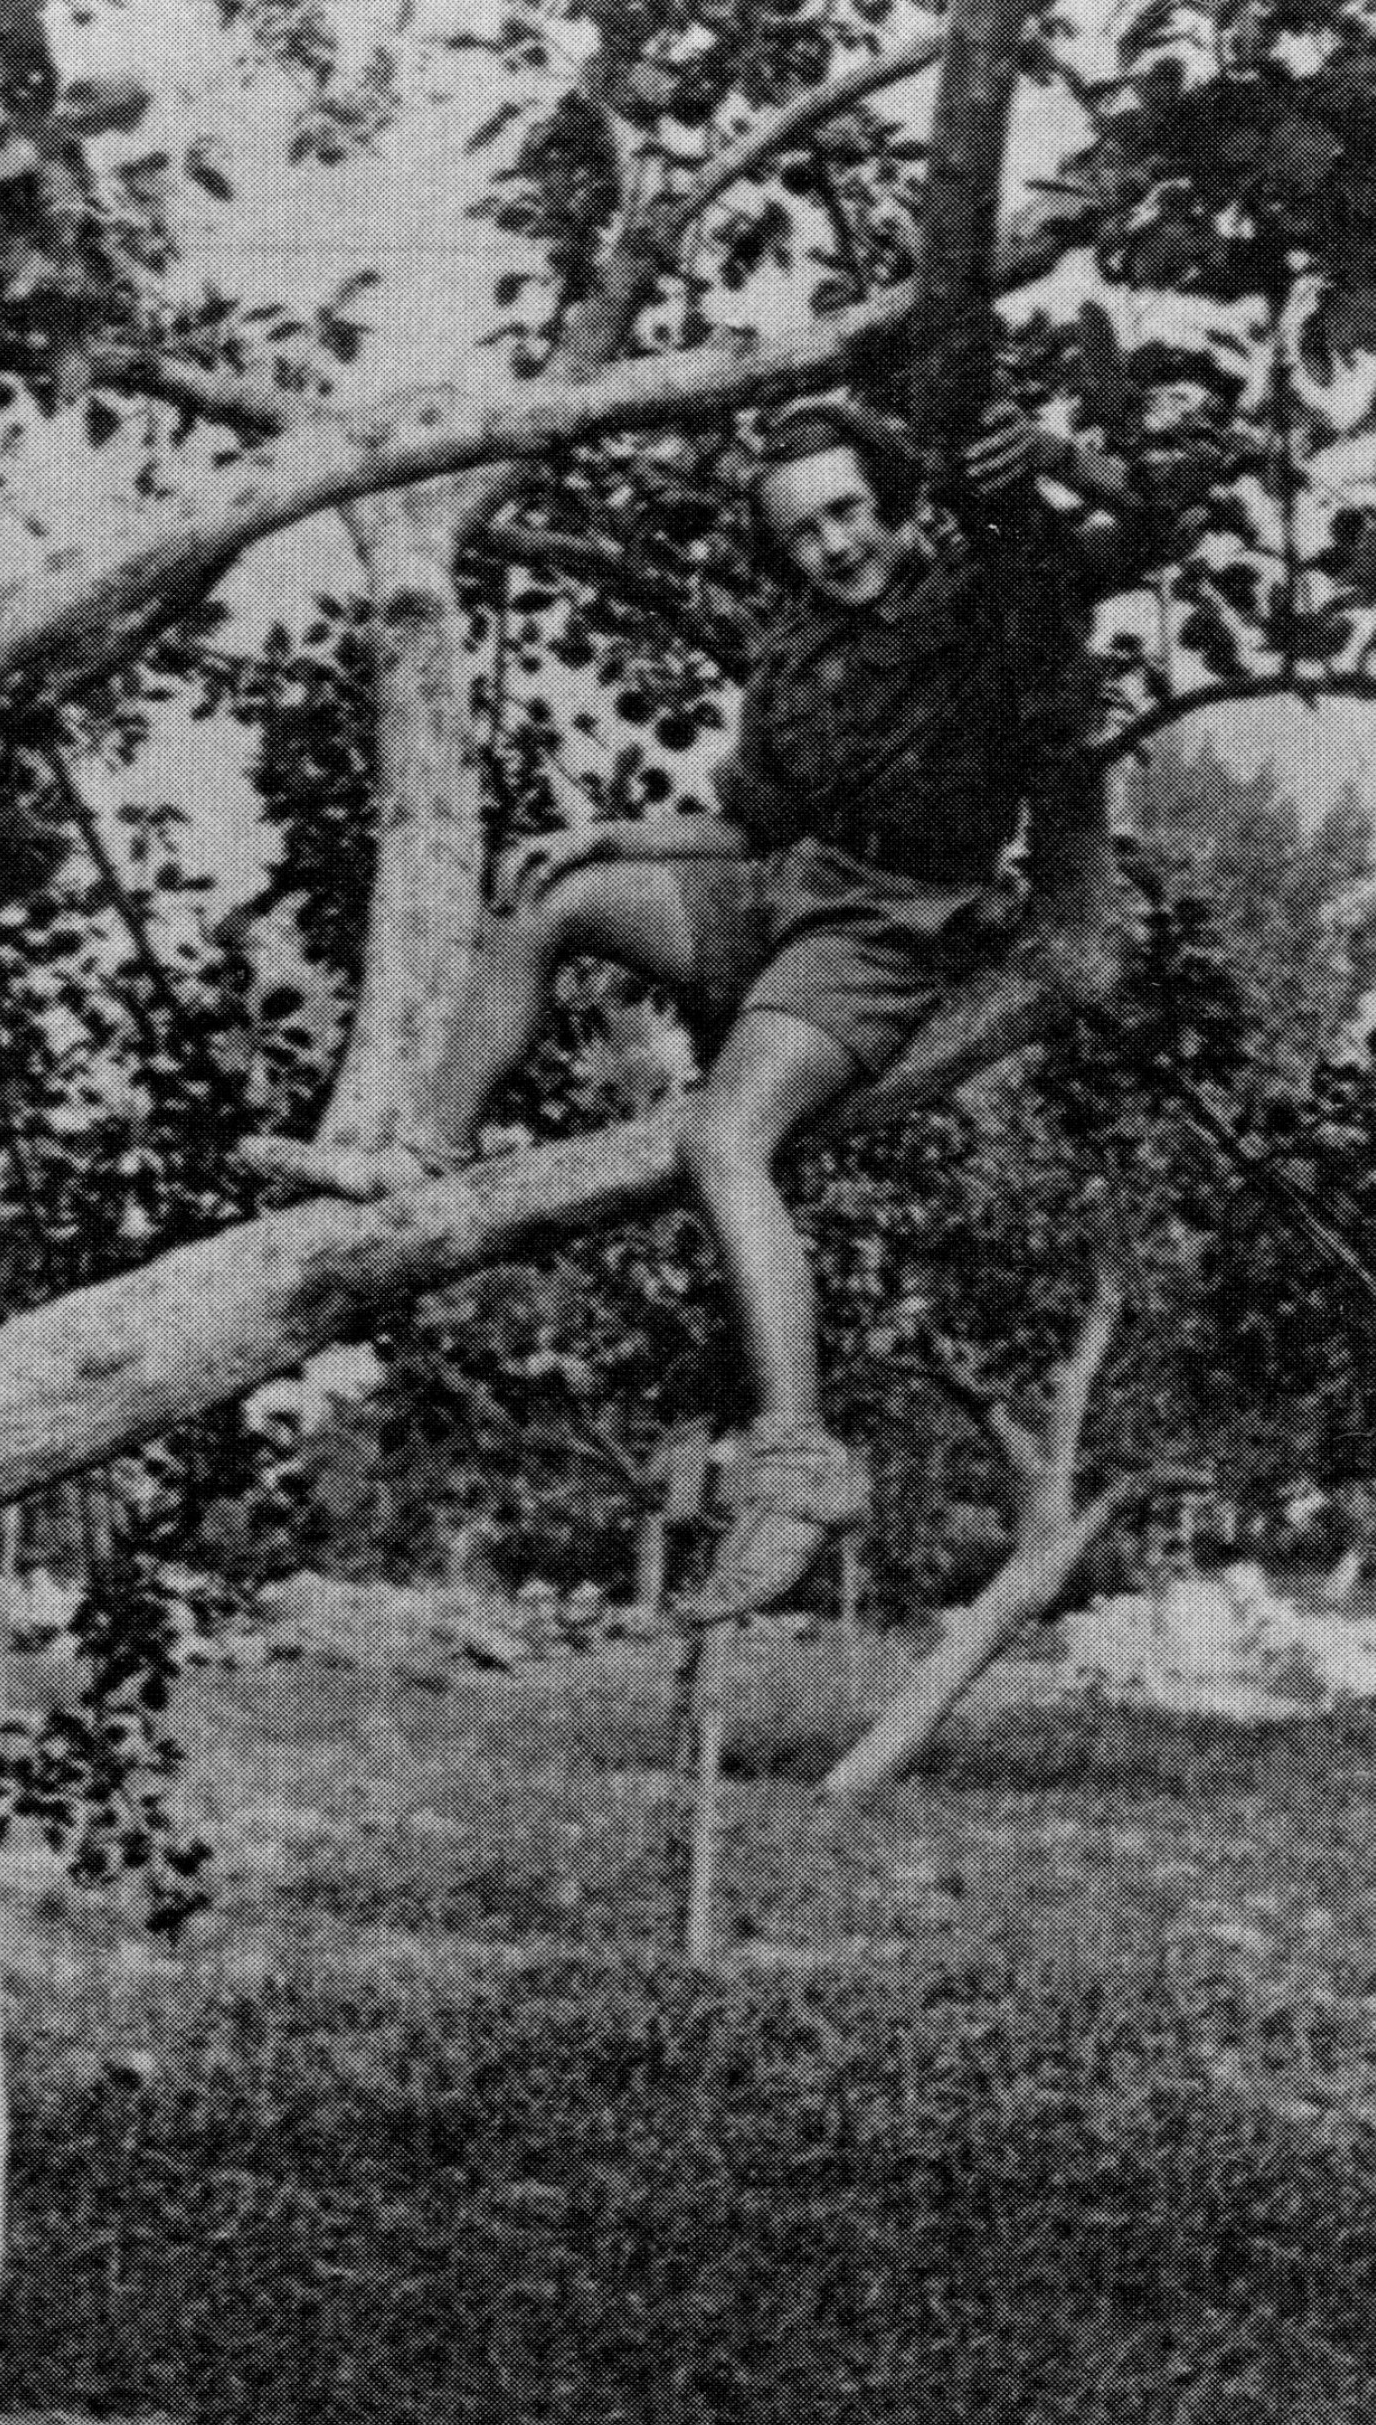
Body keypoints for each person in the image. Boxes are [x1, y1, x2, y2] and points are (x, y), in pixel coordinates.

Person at [281, 395, 1159, 1620]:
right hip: (787, 888)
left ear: (897, 502)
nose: (834, 546)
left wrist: (1064, 458)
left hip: (892, 923)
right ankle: (424, 1152)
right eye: (803, 532)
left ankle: (796, 1458)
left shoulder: (989, 593)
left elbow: (1154, 525)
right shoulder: (793, 648)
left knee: (720, 1136)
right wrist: (604, 832)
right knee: (550, 901)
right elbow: (750, 822)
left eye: (850, 511)